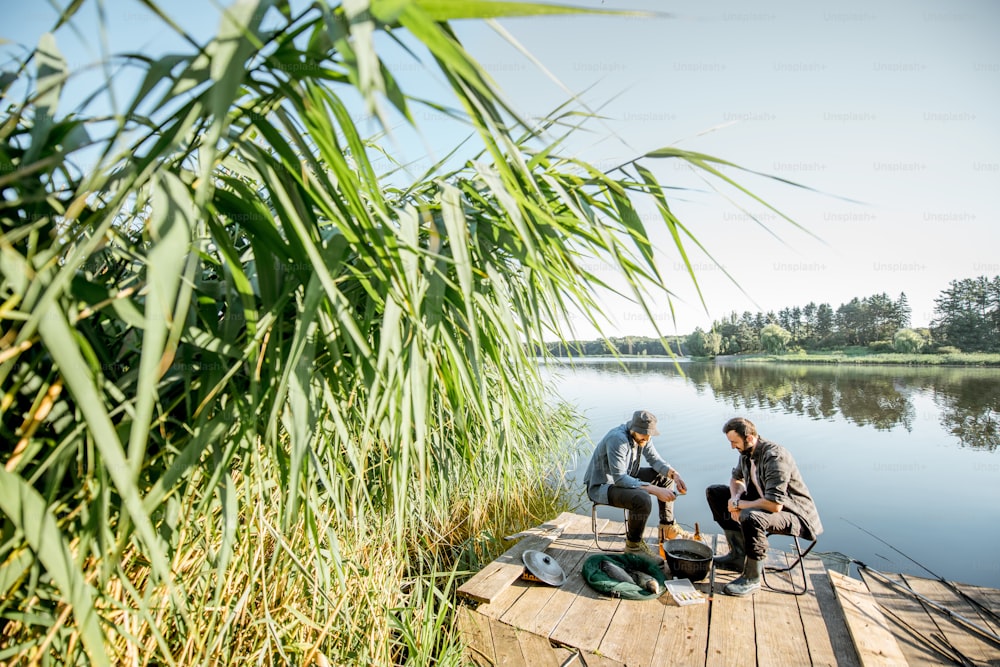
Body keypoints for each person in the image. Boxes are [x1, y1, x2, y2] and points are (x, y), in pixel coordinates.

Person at [706, 417, 823, 596]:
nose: (732, 447)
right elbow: (736, 478)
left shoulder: (775, 457)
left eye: (734, 442)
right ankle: (737, 556)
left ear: (750, 438)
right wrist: (735, 498)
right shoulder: (746, 453)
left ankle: (752, 578)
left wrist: (741, 505)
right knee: (715, 493)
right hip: (762, 504)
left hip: (793, 514)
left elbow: (775, 505)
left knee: (750, 517)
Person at [584, 409, 693, 563]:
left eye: (650, 435)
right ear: (633, 428)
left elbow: (655, 460)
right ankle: (633, 546)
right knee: (642, 499)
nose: (647, 438)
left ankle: (667, 526)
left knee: (664, 478)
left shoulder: (643, 437)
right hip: (603, 486)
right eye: (644, 434)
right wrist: (654, 490)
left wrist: (675, 474)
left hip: (626, 476)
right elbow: (620, 479)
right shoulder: (617, 439)